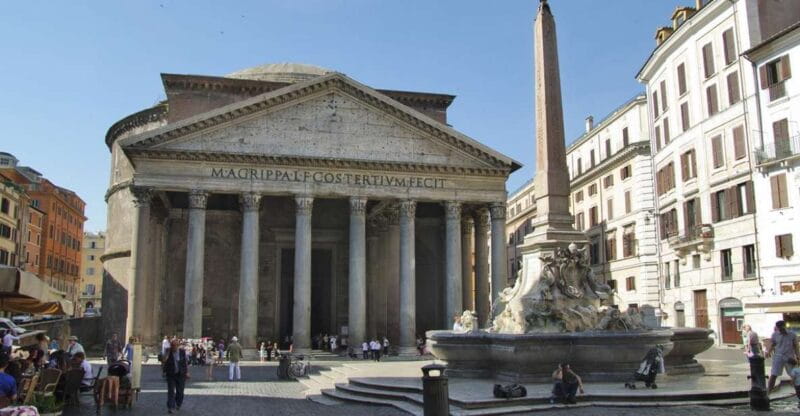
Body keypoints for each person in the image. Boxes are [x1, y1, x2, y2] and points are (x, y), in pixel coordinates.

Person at [767, 320, 799, 392]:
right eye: (779, 329)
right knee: (774, 375)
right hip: (778, 357)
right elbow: (773, 344)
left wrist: (798, 356)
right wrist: (768, 351)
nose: (781, 330)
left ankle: (798, 391)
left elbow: (796, 346)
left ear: (784, 326)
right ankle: (769, 391)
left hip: (789, 357)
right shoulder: (775, 334)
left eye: (782, 328)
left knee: (794, 375)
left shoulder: (792, 334)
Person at [162, 338, 189, 414]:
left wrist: (187, 372)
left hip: (181, 374)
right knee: (171, 391)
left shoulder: (182, 352)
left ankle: (178, 403)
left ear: (178, 346)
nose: (174, 347)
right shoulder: (168, 351)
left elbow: (185, 363)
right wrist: (167, 355)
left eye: (176, 345)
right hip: (171, 374)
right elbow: (164, 361)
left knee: (180, 391)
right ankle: (171, 407)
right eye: (173, 345)